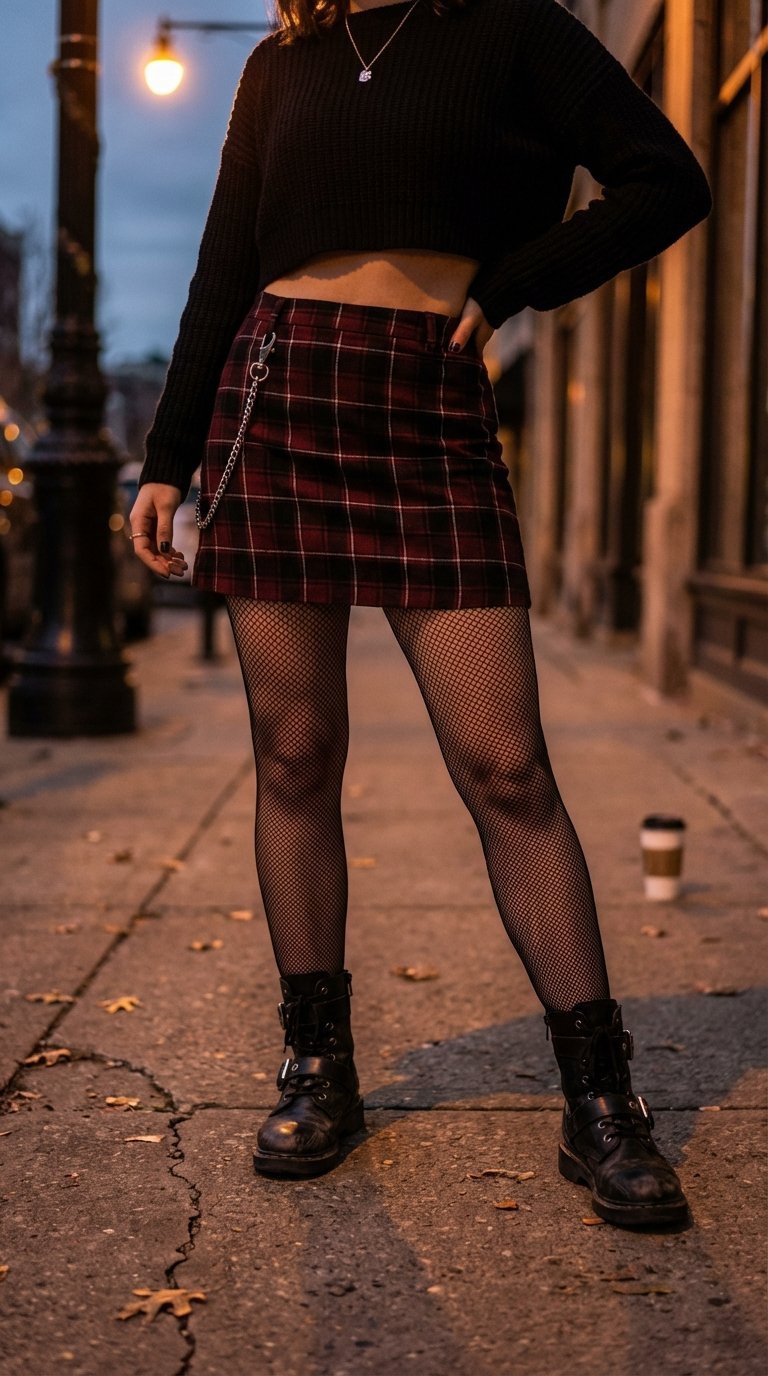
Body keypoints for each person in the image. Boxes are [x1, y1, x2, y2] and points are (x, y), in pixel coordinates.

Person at [130, 0, 712, 1226]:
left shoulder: (514, 30)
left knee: (507, 766)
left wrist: (515, 283)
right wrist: (167, 458)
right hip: (275, 394)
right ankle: (318, 1064)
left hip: (430, 407)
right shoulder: (279, 64)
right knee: (295, 753)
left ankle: (601, 1099)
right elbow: (222, 268)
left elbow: (668, 180)